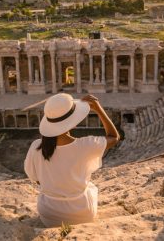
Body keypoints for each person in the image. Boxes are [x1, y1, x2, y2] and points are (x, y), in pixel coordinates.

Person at [24, 93, 120, 227]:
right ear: (73, 122)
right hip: (81, 213)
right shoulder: (86, 145)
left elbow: (34, 177)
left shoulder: (36, 147)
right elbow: (114, 137)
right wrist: (98, 109)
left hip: (49, 214)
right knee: (91, 187)